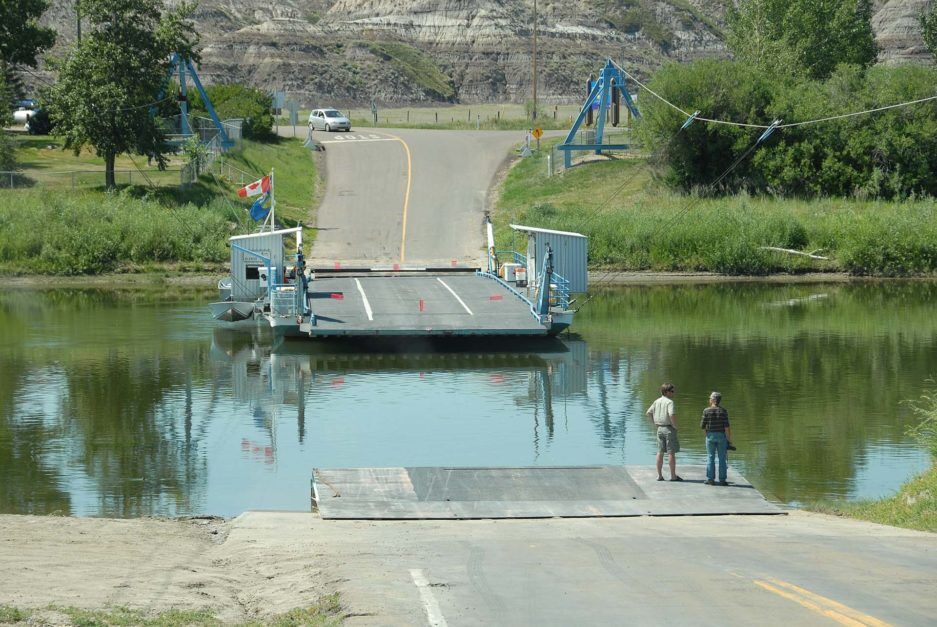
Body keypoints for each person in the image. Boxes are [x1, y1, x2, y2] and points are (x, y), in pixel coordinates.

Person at [646, 383, 681, 481]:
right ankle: (673, 476)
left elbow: (648, 413)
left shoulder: (656, 401)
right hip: (669, 429)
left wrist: (654, 423)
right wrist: (674, 426)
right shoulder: (670, 402)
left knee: (660, 452)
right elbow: (671, 414)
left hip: (659, 429)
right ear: (666, 392)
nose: (674, 393)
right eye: (672, 391)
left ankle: (659, 476)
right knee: (671, 452)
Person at [700, 391, 732, 486]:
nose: (709, 400)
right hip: (721, 436)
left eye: (710, 398)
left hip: (710, 436)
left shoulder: (706, 411)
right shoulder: (723, 411)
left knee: (710, 457)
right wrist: (729, 440)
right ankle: (722, 480)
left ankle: (710, 479)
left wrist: (707, 434)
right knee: (722, 458)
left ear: (714, 400)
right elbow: (727, 427)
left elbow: (702, 426)